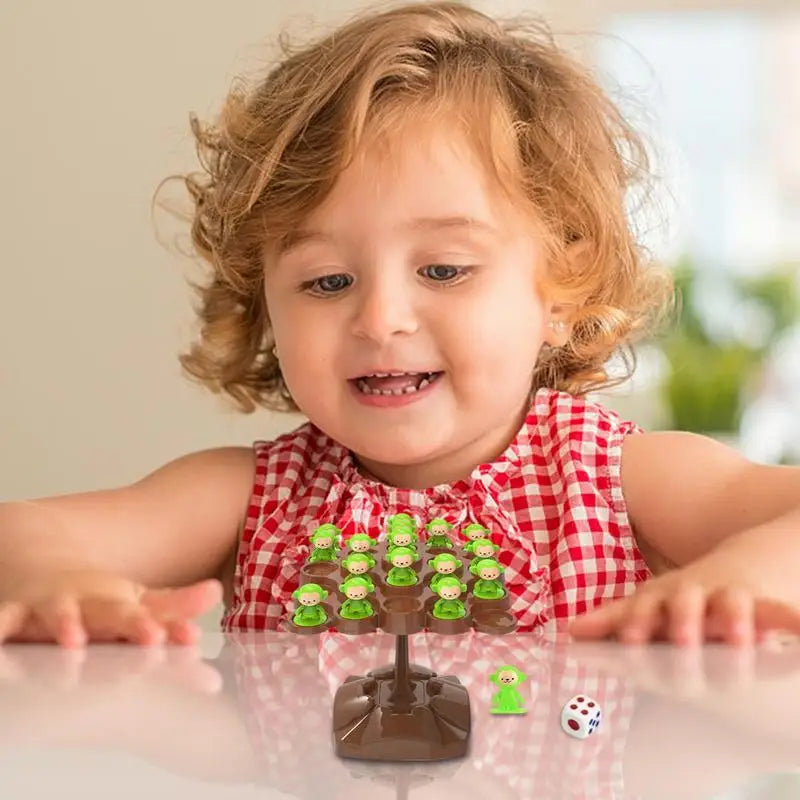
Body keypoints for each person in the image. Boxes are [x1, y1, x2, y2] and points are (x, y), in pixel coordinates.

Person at [1, 1, 799, 649]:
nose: (380, 318)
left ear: (560, 290)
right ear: (265, 305)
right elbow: (23, 530)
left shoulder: (616, 482)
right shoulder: (252, 497)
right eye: (326, 281)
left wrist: (738, 582)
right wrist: (55, 584)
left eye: (444, 270)